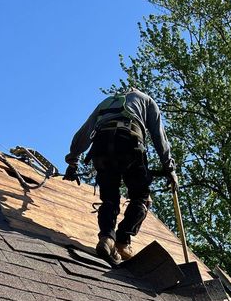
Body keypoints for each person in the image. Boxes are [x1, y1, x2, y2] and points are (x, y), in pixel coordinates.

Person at [63, 88, 177, 262]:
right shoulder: (147, 101)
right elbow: (159, 136)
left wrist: (73, 161)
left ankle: (107, 238)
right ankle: (123, 242)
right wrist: (170, 169)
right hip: (129, 142)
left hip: (100, 147)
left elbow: (84, 132)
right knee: (141, 197)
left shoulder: (107, 102)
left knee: (109, 198)